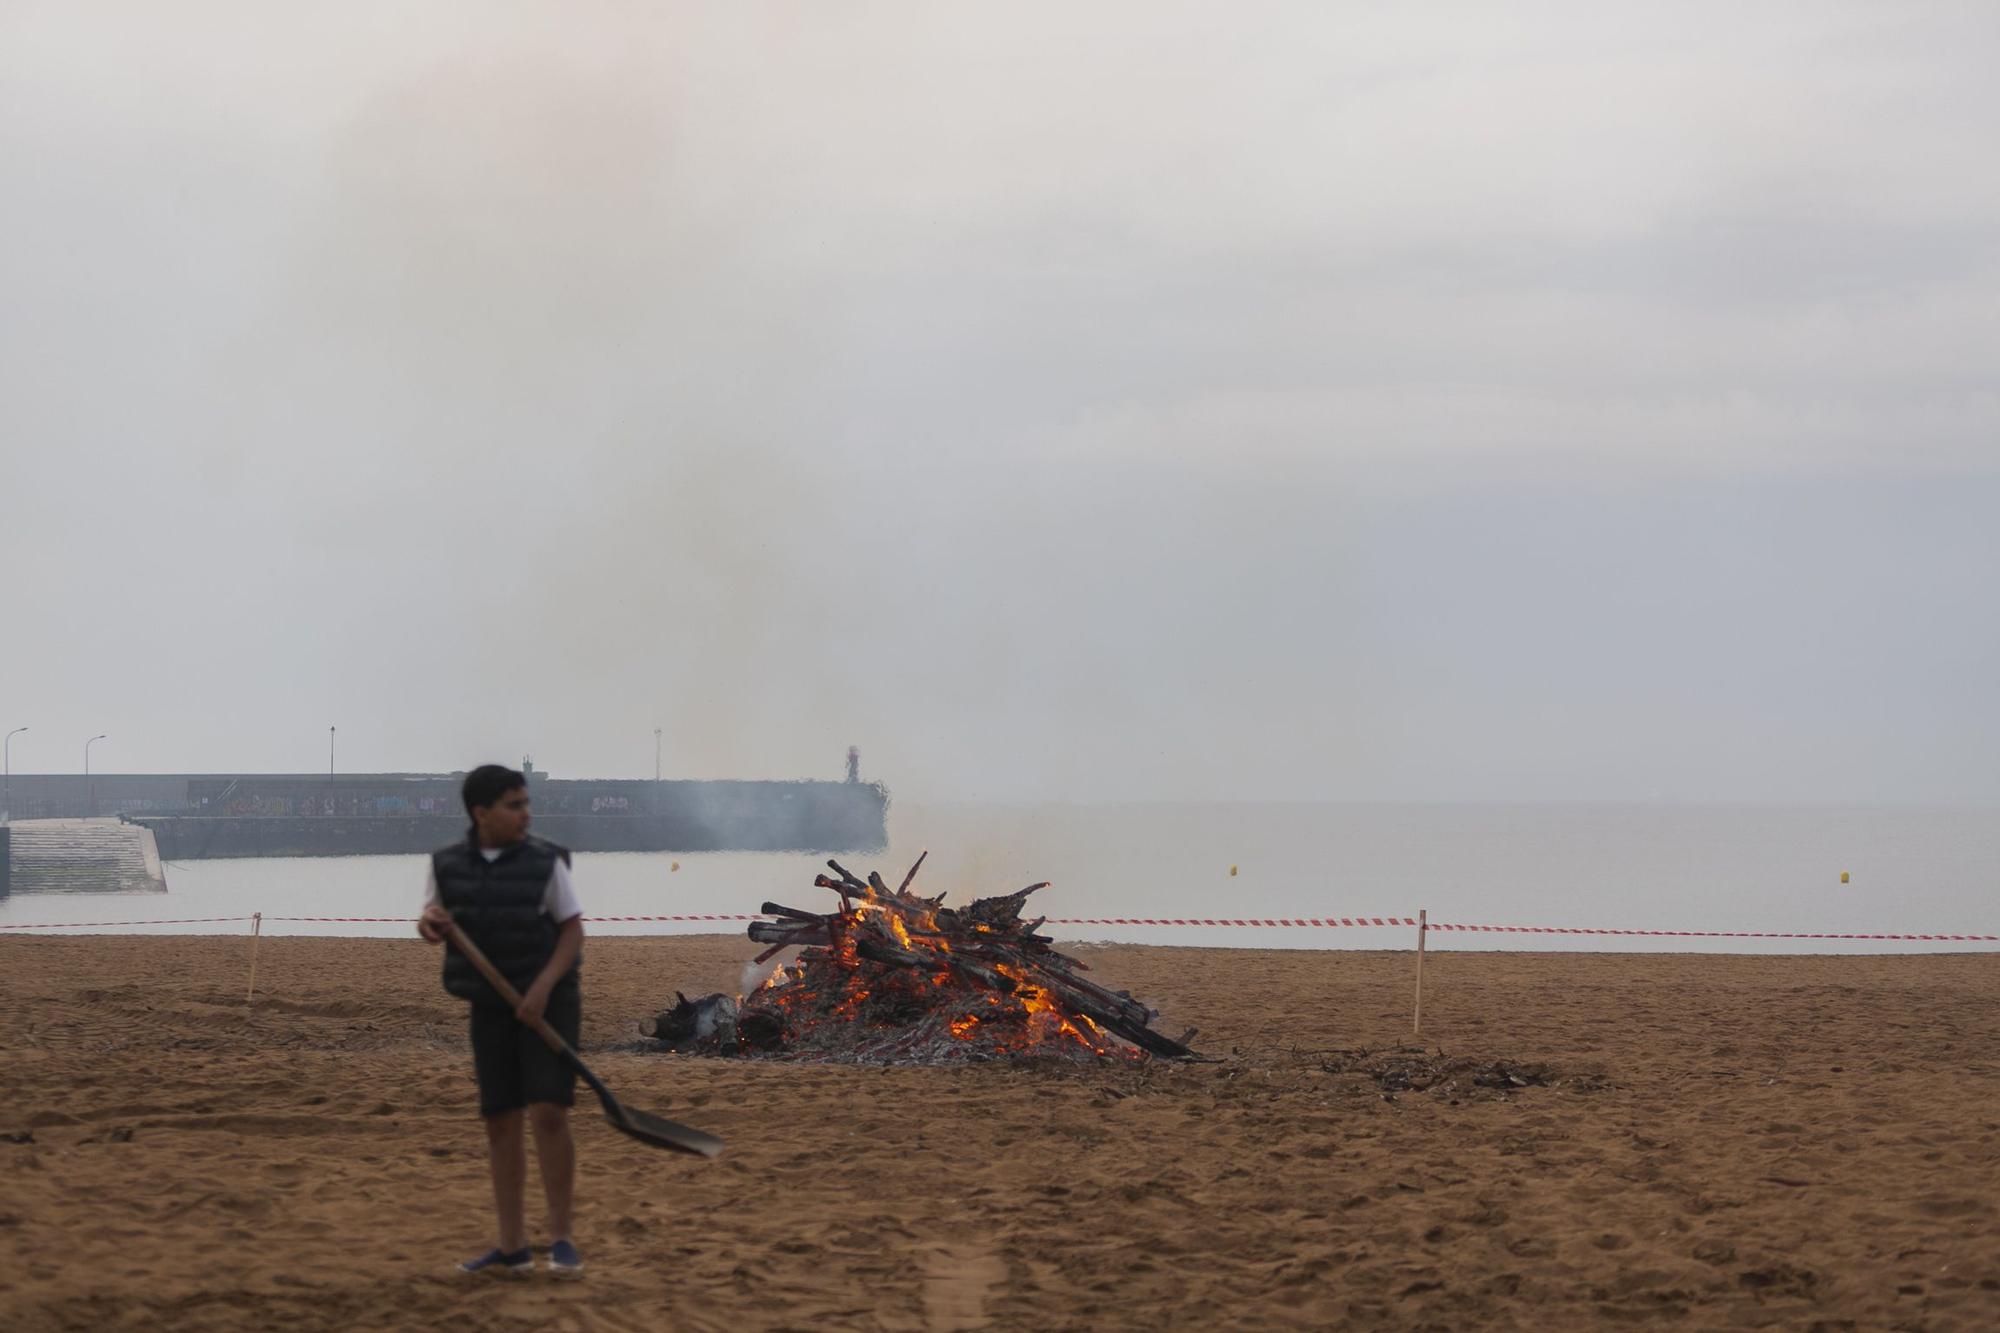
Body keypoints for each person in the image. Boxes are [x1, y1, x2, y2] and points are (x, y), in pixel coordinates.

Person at [418, 764, 586, 1277]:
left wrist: (539, 990)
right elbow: (434, 916)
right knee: (500, 1119)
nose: (525, 814)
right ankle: (512, 1247)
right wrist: (429, 924)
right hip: (491, 1005)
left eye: (525, 803)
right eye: (514, 805)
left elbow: (573, 933)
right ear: (481, 812)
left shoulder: (546, 861)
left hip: (549, 1001)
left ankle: (560, 1240)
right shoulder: (447, 864)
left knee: (549, 1112)